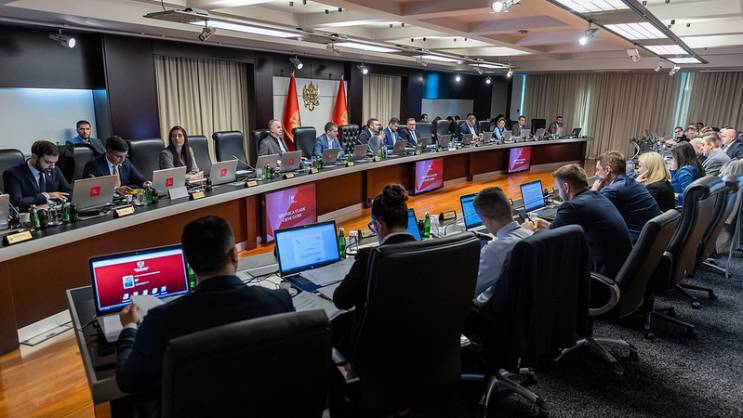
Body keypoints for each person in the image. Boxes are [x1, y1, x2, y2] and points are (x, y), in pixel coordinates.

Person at [116, 216, 294, 395]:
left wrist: (129, 327)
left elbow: (128, 381)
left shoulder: (160, 321)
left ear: (188, 263)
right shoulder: (279, 301)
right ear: (234, 254)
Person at [332, 184, 416, 357]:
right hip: (415, 343)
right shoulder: (429, 250)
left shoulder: (369, 257)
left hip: (373, 350)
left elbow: (341, 301)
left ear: (378, 225)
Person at [523, 164, 631, 278]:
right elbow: (558, 231)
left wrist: (527, 231)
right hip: (622, 269)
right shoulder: (597, 196)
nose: (559, 193)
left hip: (604, 276)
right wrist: (549, 226)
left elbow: (548, 241)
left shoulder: (573, 206)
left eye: (558, 188)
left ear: (566, 187)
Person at [473, 187, 533, 305]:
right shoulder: (532, 235)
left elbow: (470, 289)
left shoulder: (494, 251)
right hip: (527, 306)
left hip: (492, 311)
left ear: (487, 220)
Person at [591, 151, 661, 243]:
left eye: (598, 170)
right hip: (652, 241)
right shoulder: (634, 183)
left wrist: (594, 191)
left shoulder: (613, 190)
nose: (596, 174)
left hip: (634, 242)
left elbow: (589, 213)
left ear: (607, 170)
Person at [3, 140, 72, 211]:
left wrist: (51, 204)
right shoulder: (13, 174)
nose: (52, 166)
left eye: (55, 162)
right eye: (48, 162)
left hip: (53, 213)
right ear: (34, 157)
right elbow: (16, 202)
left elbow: (70, 193)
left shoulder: (55, 170)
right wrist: (47, 195)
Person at [83, 136, 149, 194]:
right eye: (118, 156)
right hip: (105, 201)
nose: (122, 160)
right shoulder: (93, 166)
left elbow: (138, 178)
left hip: (122, 200)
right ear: (108, 152)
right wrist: (115, 190)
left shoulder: (125, 162)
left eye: (125, 156)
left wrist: (145, 183)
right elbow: (92, 190)